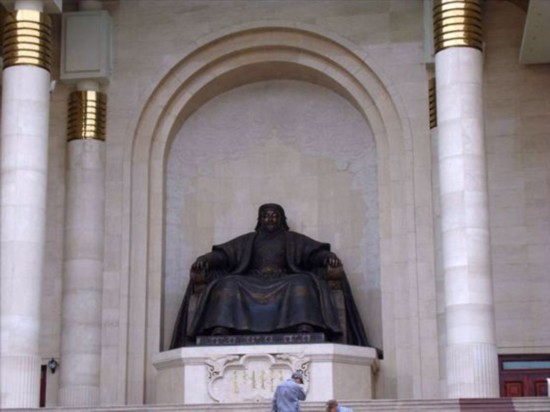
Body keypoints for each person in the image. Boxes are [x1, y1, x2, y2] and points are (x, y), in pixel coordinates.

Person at [170, 203, 369, 348]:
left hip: (284, 279)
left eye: (274, 216)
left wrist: (328, 258)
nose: (270, 219)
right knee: (228, 284)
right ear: (260, 220)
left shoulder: (293, 239)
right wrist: (206, 259)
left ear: (281, 219)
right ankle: (221, 327)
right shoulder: (248, 240)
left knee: (301, 282)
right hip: (252, 279)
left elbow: (314, 254)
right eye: (265, 216)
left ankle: (304, 326)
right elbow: (224, 255)